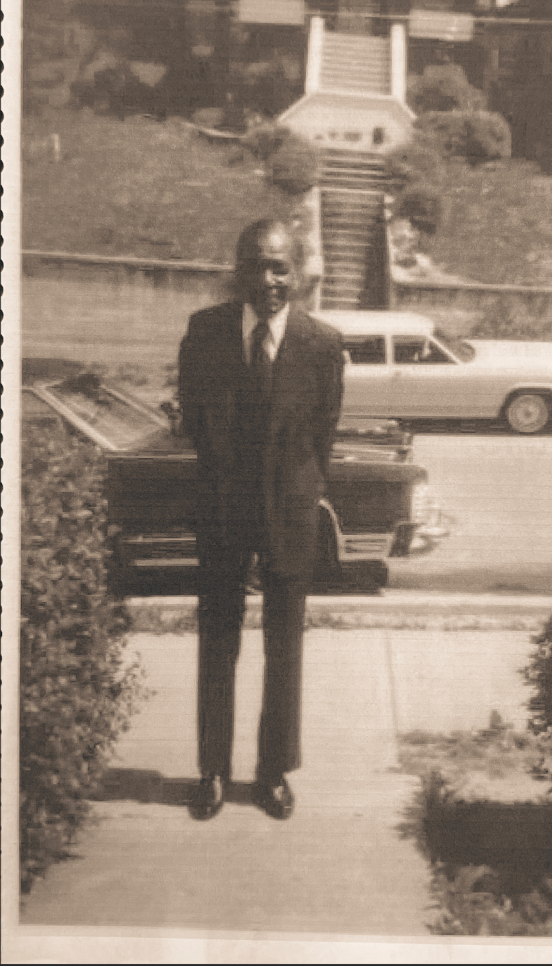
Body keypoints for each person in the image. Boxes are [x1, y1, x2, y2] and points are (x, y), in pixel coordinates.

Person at [179, 219, 345, 821]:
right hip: (223, 512)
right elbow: (193, 424)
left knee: (285, 650)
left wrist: (296, 495)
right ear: (239, 269)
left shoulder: (323, 344)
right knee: (217, 645)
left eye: (280, 267)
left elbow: (320, 440)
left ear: (298, 273)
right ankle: (212, 772)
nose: (269, 280)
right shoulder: (206, 332)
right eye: (257, 266)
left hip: (289, 516)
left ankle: (273, 772)